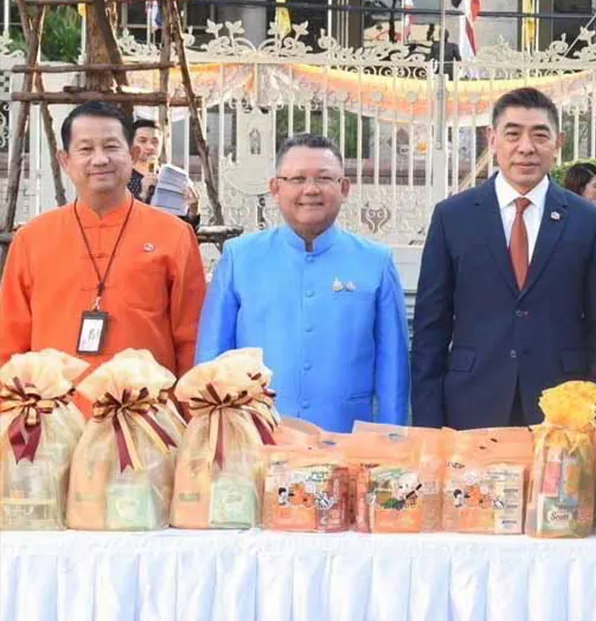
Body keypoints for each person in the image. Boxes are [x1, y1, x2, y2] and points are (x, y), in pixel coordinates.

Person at [413, 88, 596, 429]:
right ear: (492, 139)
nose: (526, 147)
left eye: (540, 135)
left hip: (564, 408)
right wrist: (427, 424)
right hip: (472, 401)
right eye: (513, 134)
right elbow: (430, 327)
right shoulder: (453, 216)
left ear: (558, 142)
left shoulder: (588, 220)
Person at [196, 134, 409, 431]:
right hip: (257, 437)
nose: (310, 189)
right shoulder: (239, 257)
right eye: (297, 179)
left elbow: (393, 368)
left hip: (346, 436)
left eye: (324, 178)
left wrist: (390, 440)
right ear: (275, 188)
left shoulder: (375, 261)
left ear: (344, 188)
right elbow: (211, 361)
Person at [0, 101, 206, 377]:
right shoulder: (32, 238)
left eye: (111, 147)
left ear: (132, 155)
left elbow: (191, 338)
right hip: (55, 403)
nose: (100, 159)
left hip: (148, 403)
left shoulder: (174, 234)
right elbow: (9, 343)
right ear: (64, 160)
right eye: (85, 149)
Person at [127, 118, 200, 230]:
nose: (150, 147)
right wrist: (143, 194)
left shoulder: (173, 178)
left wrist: (194, 210)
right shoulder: (122, 179)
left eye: (155, 142)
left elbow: (187, 229)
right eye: (143, 141)